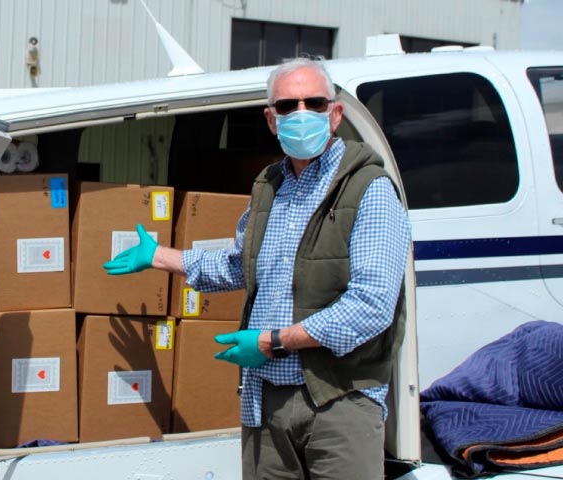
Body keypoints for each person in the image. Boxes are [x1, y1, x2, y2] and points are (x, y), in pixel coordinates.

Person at [103, 57, 411, 479]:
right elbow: (238, 264)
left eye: (313, 103)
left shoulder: (369, 190)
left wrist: (274, 342)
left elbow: (371, 305)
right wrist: (159, 256)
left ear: (334, 114)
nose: (300, 114)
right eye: (287, 106)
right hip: (266, 402)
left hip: (339, 400)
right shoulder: (271, 188)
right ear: (270, 119)